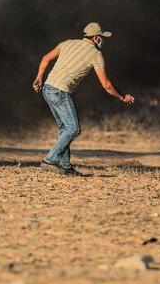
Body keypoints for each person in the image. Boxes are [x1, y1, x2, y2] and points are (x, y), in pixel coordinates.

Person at [32, 22, 135, 175]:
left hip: (47, 88)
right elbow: (106, 85)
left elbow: (46, 58)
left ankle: (65, 166)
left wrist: (39, 77)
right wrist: (122, 96)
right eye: (101, 37)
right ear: (96, 38)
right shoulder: (96, 54)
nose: (101, 40)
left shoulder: (67, 43)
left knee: (64, 128)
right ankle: (50, 160)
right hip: (60, 91)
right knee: (73, 129)